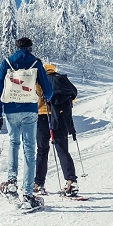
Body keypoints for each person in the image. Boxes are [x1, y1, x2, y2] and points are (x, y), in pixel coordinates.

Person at [0, 37, 54, 211]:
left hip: (10, 109)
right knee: (29, 149)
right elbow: (47, 90)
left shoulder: (6, 63)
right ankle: (27, 194)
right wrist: (47, 98)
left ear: (17, 47)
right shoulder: (35, 63)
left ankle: (11, 182)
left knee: (13, 143)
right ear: (30, 48)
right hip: (30, 110)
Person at [34, 63, 79, 197]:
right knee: (62, 149)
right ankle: (71, 181)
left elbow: (36, 101)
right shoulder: (60, 79)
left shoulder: (38, 80)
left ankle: (38, 184)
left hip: (42, 118)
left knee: (42, 150)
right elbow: (73, 96)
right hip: (60, 118)